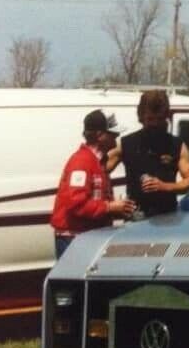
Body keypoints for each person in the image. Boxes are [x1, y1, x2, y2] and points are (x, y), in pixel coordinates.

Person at [50, 110, 136, 258]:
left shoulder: (97, 161)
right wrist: (110, 207)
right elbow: (76, 203)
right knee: (75, 280)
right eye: (113, 134)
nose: (116, 138)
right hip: (74, 238)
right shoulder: (81, 161)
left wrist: (115, 208)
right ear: (100, 135)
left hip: (86, 236)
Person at [107, 89, 189, 218]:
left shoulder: (177, 145)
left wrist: (165, 186)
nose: (154, 124)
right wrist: (111, 204)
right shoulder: (126, 144)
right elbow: (98, 172)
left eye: (159, 119)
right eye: (150, 119)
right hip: (135, 219)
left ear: (166, 116)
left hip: (167, 218)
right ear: (141, 116)